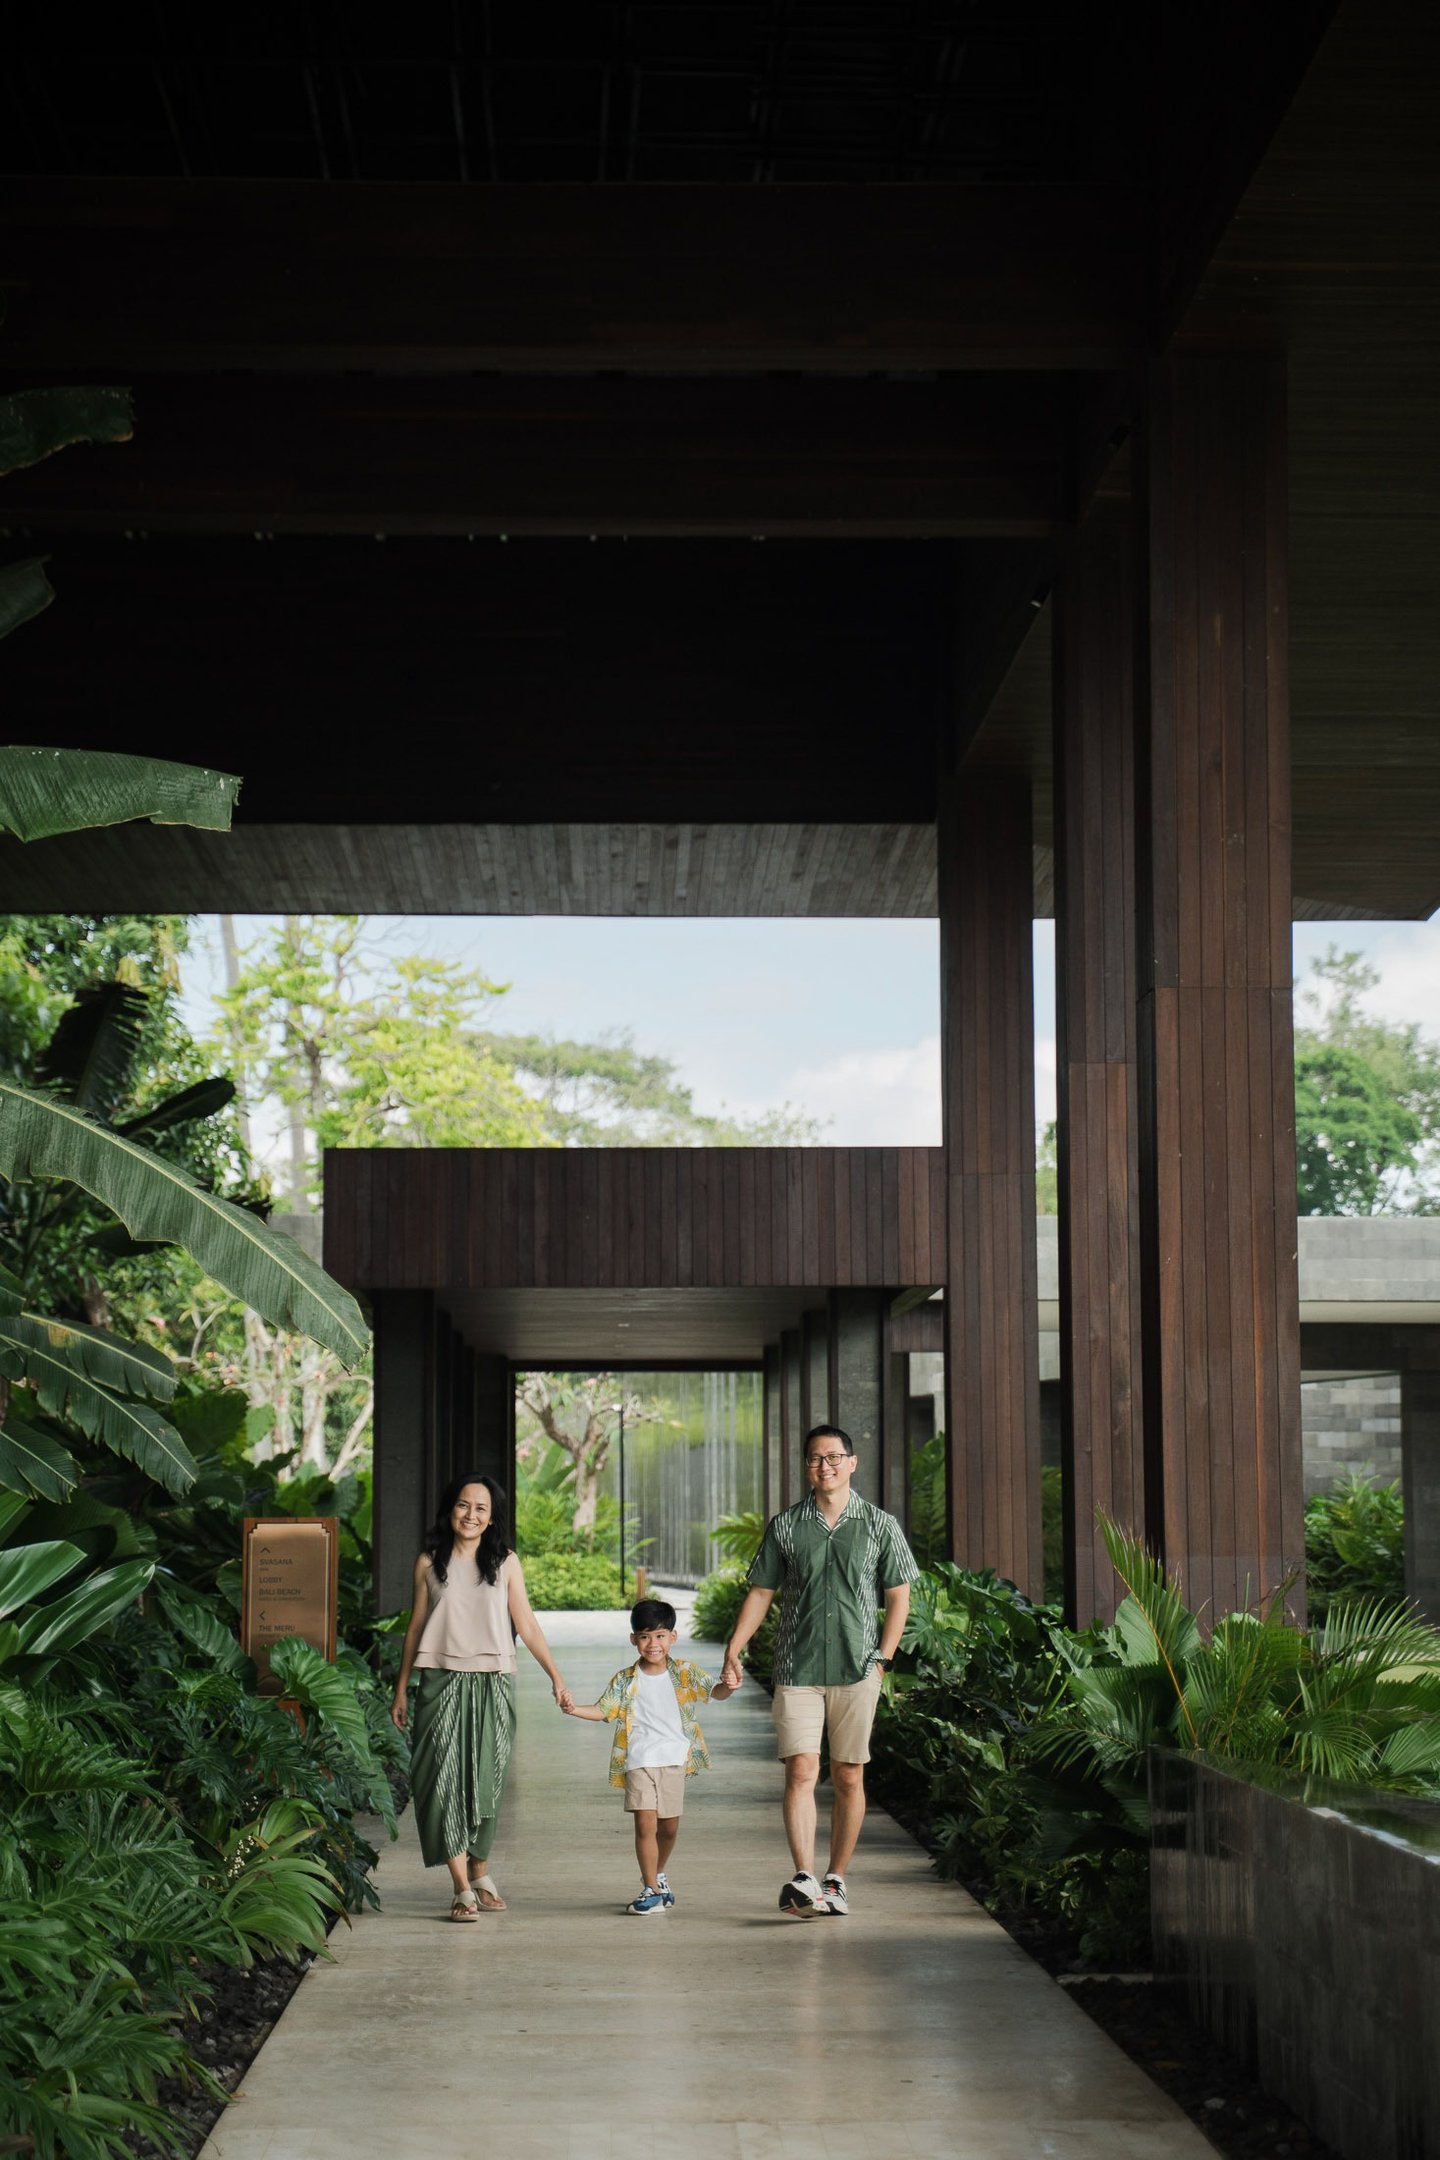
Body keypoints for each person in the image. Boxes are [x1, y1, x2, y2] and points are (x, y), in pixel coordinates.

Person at [722, 1422, 919, 1917]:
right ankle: (804, 1877)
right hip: (797, 1666)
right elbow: (761, 1592)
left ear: (852, 1463)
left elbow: (899, 1596)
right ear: (806, 1467)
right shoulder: (786, 1526)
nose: (824, 1466)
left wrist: (883, 1658)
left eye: (833, 1457)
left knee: (849, 1775)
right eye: (814, 1458)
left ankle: (836, 1880)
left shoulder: (880, 1525)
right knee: (801, 1770)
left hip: (858, 1666)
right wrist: (734, 1648)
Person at [390, 1471, 572, 1921]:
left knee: (487, 1779)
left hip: (493, 1681)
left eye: (481, 1508)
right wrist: (401, 1689)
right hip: (440, 1681)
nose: (470, 1515)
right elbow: (415, 1627)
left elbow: (526, 1624)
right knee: (441, 1780)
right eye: (463, 1505)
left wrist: (556, 1676)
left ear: (491, 1519)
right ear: (450, 1510)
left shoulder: (505, 1562)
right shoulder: (428, 1562)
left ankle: (480, 1870)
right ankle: (460, 1887)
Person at [564, 1595, 736, 1915]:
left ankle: (659, 1874)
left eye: (660, 1635)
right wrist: (574, 1709)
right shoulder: (625, 1679)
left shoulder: (684, 1672)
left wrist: (730, 1685)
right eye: (645, 1636)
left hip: (673, 1760)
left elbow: (715, 1691)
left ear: (673, 1637)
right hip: (639, 1760)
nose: (653, 1644)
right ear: (634, 1639)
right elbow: (603, 1711)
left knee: (668, 1829)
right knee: (645, 1826)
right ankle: (651, 1889)